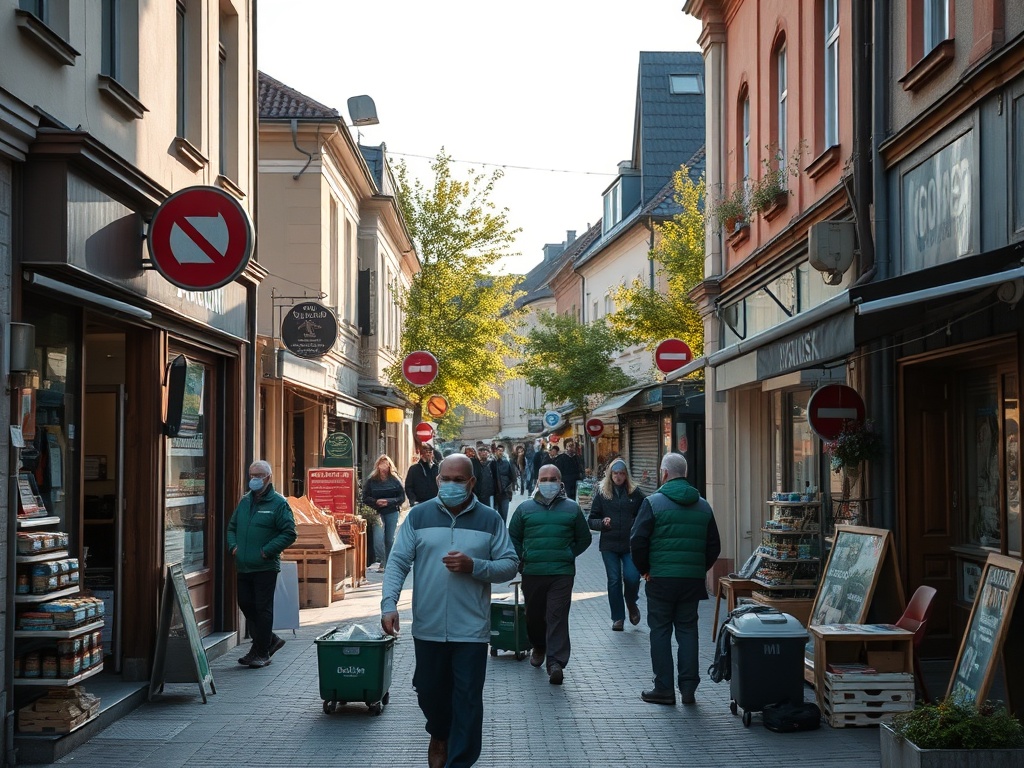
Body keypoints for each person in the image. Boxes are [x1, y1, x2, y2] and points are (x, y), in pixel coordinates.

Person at [381, 454, 519, 768]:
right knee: (429, 692)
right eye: (446, 479)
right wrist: (388, 604)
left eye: (459, 480)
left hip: (471, 628)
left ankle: (459, 761)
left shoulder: (490, 519)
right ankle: (439, 732)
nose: (451, 484)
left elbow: (510, 564)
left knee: (468, 700)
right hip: (428, 626)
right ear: (437, 480)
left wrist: (476, 567)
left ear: (471, 482)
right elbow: (398, 562)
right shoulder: (418, 516)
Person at [630, 452, 721, 706]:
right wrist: (698, 568)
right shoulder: (703, 504)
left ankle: (664, 689)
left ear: (665, 473)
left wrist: (644, 569)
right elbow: (714, 545)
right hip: (691, 580)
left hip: (660, 578)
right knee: (688, 630)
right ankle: (689, 689)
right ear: (685, 473)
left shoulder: (653, 502)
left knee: (660, 631)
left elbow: (637, 540)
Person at [508, 464, 592, 685]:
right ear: (536, 482)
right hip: (533, 571)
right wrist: (522, 558)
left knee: (557, 616)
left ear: (560, 482)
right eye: (544, 479)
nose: (548, 482)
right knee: (534, 616)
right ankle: (538, 646)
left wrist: (568, 554)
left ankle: (555, 663)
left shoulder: (572, 509)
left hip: (561, 573)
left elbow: (584, 539)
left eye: (552, 478)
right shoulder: (525, 509)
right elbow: (513, 537)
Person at [227, 460, 297, 668]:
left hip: (265, 566)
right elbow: (231, 527)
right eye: (251, 475)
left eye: (258, 475)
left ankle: (262, 652)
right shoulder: (245, 502)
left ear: (268, 478)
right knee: (246, 604)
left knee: (262, 608)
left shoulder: (278, 503)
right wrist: (233, 547)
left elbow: (289, 533)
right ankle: (268, 641)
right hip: (244, 565)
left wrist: (266, 551)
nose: (254, 479)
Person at [588, 458, 646, 631]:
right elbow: (591, 520)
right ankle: (618, 618)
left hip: (630, 545)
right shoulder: (602, 493)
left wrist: (637, 524)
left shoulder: (635, 493)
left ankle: (631, 602)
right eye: (615, 473)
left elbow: (646, 514)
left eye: (622, 474)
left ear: (626, 475)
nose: (618, 477)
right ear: (610, 474)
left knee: (632, 577)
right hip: (609, 545)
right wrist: (602, 523)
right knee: (614, 580)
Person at [361, 454, 406, 573]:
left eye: (386, 463)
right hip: (377, 512)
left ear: (389, 465)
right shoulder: (372, 480)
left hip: (391, 511)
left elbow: (402, 497)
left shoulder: (395, 479)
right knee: (378, 538)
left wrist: (389, 501)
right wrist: (376, 502)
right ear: (378, 465)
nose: (384, 466)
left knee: (389, 539)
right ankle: (382, 560)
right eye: (381, 463)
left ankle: (389, 564)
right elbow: (365, 497)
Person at [491, 443, 517, 522]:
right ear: (496, 451)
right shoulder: (492, 462)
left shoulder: (506, 462)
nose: (500, 452)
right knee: (494, 514)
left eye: (502, 451)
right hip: (494, 493)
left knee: (504, 514)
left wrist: (509, 489)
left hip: (505, 491)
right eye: (499, 450)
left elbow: (511, 476)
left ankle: (503, 530)